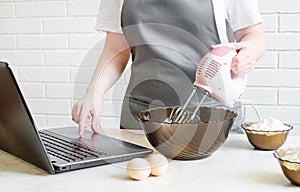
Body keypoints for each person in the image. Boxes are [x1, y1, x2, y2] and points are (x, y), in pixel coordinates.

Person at [72, 0, 267, 136]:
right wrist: (94, 93)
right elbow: (116, 48)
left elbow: (253, 33)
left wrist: (248, 51)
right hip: (141, 119)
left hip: (211, 117)